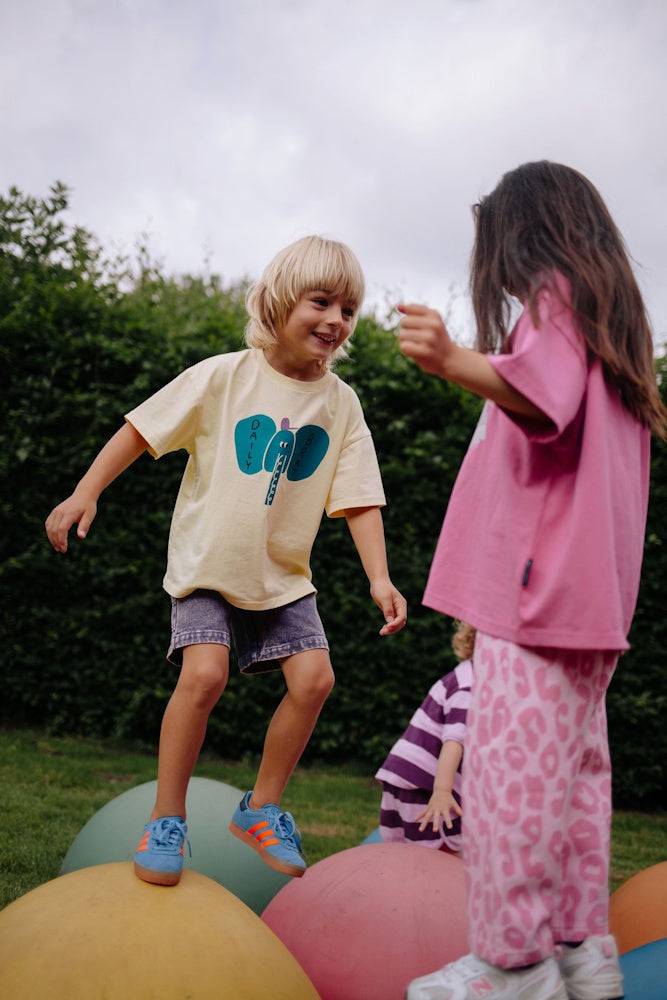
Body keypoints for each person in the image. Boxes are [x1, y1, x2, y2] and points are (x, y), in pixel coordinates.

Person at [45, 235, 407, 887]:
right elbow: (141, 428)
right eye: (320, 301)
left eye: (347, 309)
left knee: (315, 681)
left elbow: (358, 499)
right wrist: (85, 491)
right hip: (207, 565)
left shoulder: (341, 403)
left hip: (283, 578)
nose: (334, 319)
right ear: (277, 303)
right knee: (205, 675)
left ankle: (261, 807)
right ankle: (165, 818)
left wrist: (378, 577)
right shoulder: (224, 376)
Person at [397, 161, 666, 1000]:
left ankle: (511, 963)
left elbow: (541, 403)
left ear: (524, 233)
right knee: (577, 780)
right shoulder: (612, 325)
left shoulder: (552, 301)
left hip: (533, 597)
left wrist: (451, 359)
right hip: (592, 608)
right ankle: (580, 950)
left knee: (509, 780)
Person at [375, 621, 474, 855]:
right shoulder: (471, 687)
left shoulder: (460, 676)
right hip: (426, 786)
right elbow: (454, 740)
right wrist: (442, 791)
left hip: (402, 777)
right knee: (440, 860)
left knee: (403, 858)